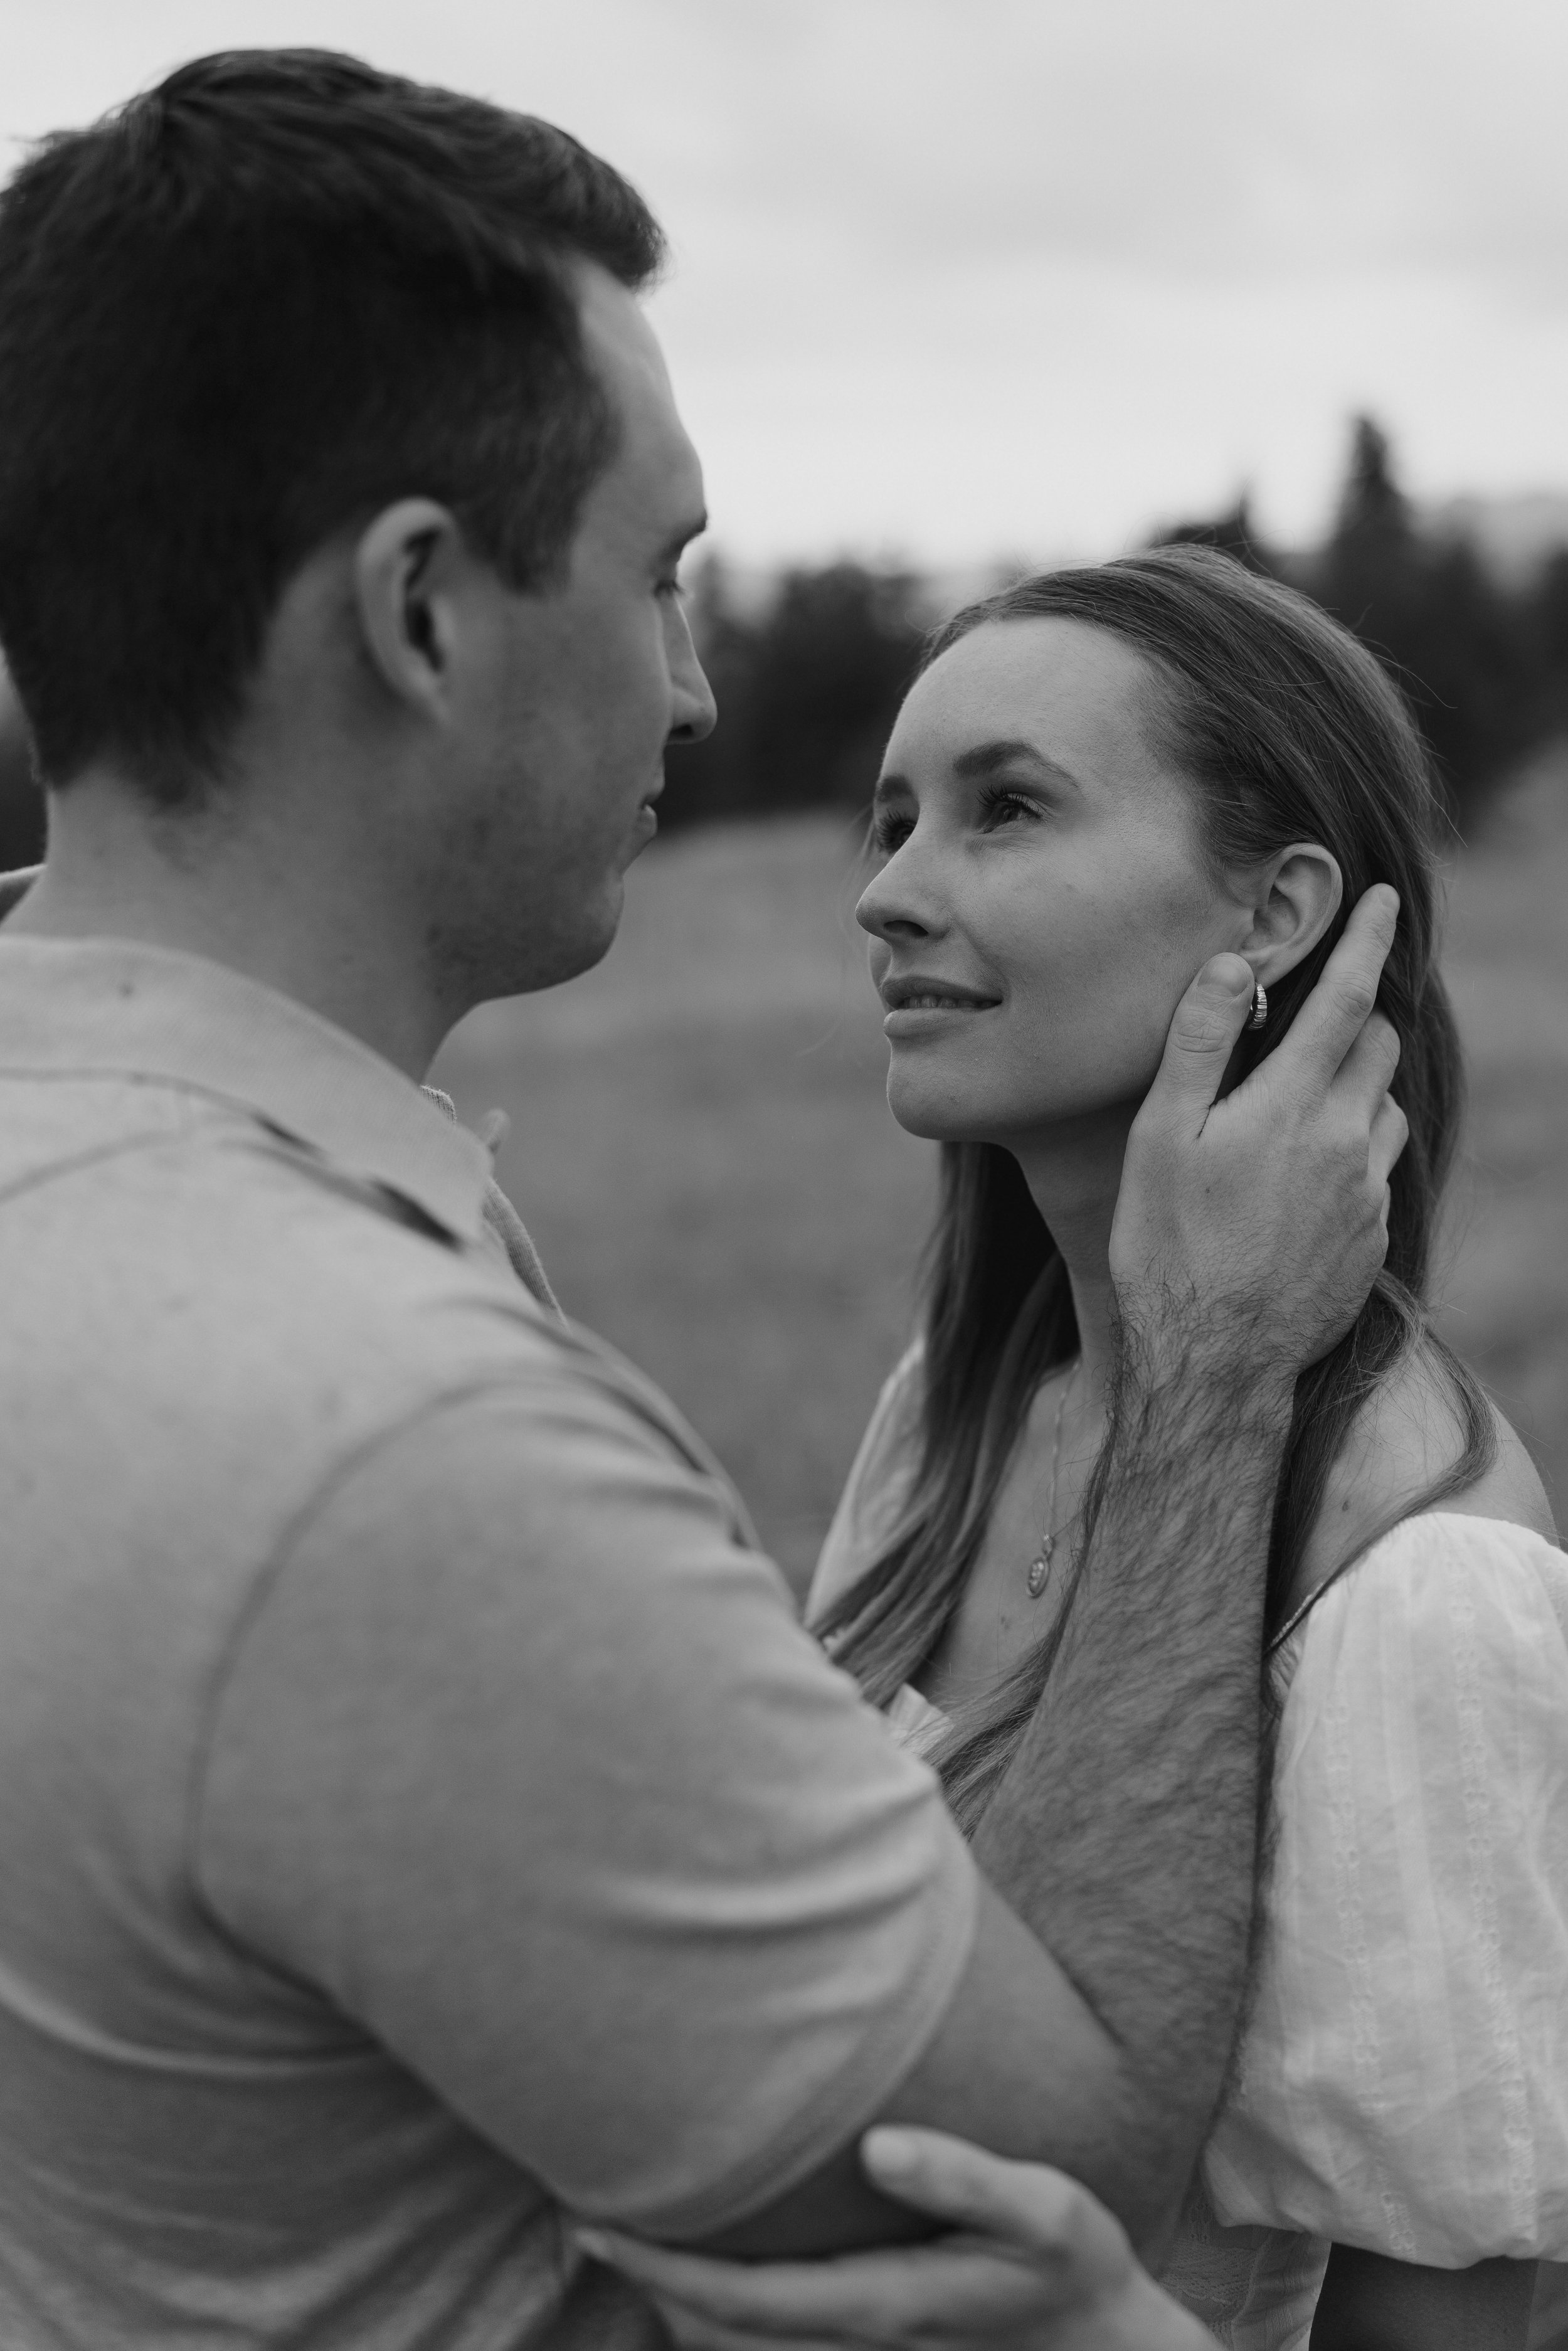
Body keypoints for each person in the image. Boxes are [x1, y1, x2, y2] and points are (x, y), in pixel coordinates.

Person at [0, 54, 1404, 2350]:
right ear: (423, 615)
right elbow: (1038, 2166)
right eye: (658, 577)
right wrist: (1214, 1381)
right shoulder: (377, 1441)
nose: (694, 681)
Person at [581, 551, 1567, 2351]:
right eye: (891, 820)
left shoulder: (1420, 1591)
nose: (887, 892)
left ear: (1272, 916)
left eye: (1004, 809)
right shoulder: (959, 1411)